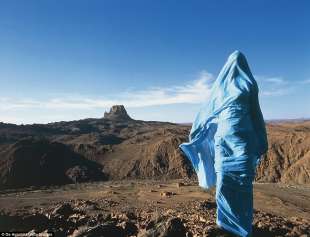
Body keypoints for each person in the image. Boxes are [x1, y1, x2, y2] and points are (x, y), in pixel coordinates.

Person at [179, 51, 268, 237]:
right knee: (241, 187)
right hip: (241, 144)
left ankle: (228, 227)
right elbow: (256, 117)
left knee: (226, 184)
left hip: (225, 145)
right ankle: (238, 228)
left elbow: (205, 114)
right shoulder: (250, 86)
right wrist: (261, 141)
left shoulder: (219, 89)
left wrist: (196, 134)